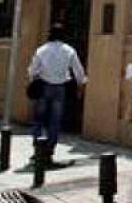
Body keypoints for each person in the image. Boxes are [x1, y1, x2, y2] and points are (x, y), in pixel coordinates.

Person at [28, 24, 88, 168]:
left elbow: (32, 71)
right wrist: (81, 85)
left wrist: (34, 80)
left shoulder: (41, 50)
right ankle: (49, 150)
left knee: (39, 119)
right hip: (60, 89)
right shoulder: (69, 50)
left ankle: (38, 148)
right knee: (54, 121)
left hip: (43, 87)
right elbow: (79, 72)